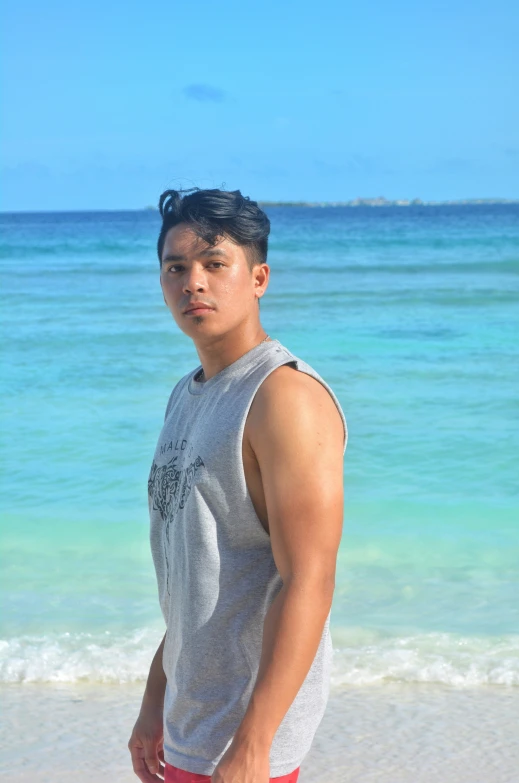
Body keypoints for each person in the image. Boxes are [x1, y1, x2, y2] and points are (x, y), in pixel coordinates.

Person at [128, 187, 348, 783]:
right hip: (191, 725)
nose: (192, 282)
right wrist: (156, 702)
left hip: (243, 744)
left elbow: (309, 579)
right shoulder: (188, 393)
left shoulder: (283, 397)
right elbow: (192, 572)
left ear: (259, 278)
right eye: (176, 267)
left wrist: (254, 745)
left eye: (214, 264)